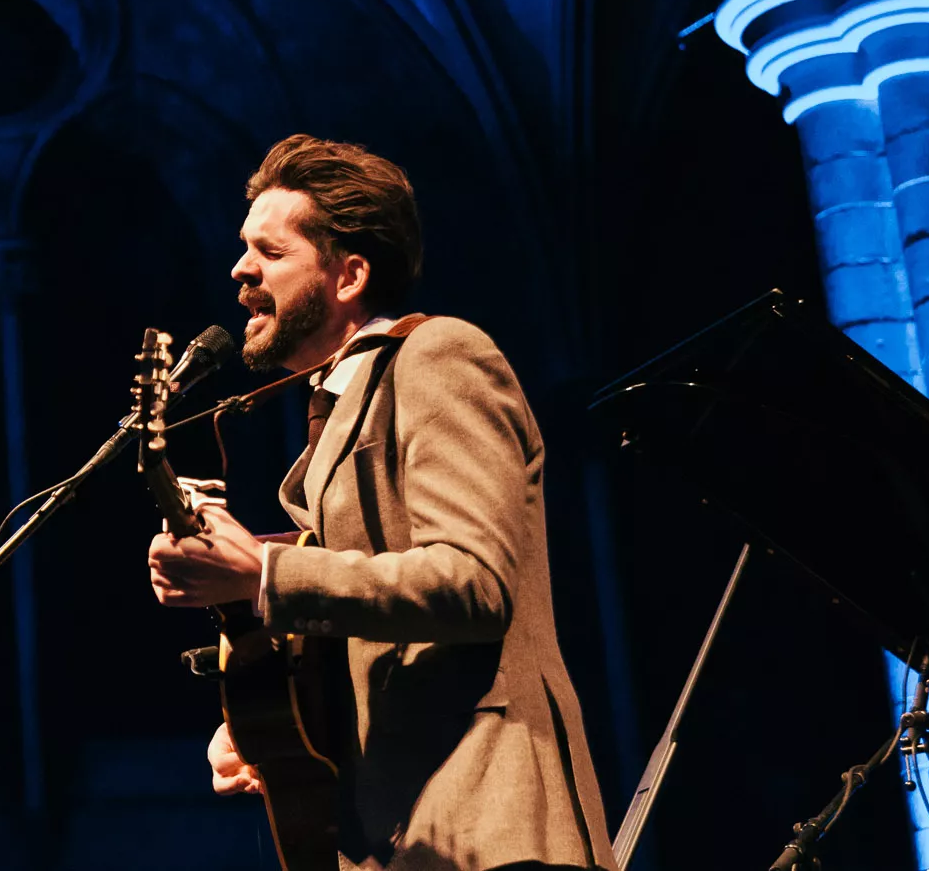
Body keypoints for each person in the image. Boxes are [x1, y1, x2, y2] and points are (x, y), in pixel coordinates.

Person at [148, 134, 613, 871]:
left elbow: (473, 582)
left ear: (349, 274)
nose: (240, 269)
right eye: (243, 249)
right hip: (396, 833)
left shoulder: (439, 354)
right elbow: (371, 641)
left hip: (488, 823)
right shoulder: (338, 410)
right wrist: (264, 723)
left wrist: (265, 573)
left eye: (269, 251)